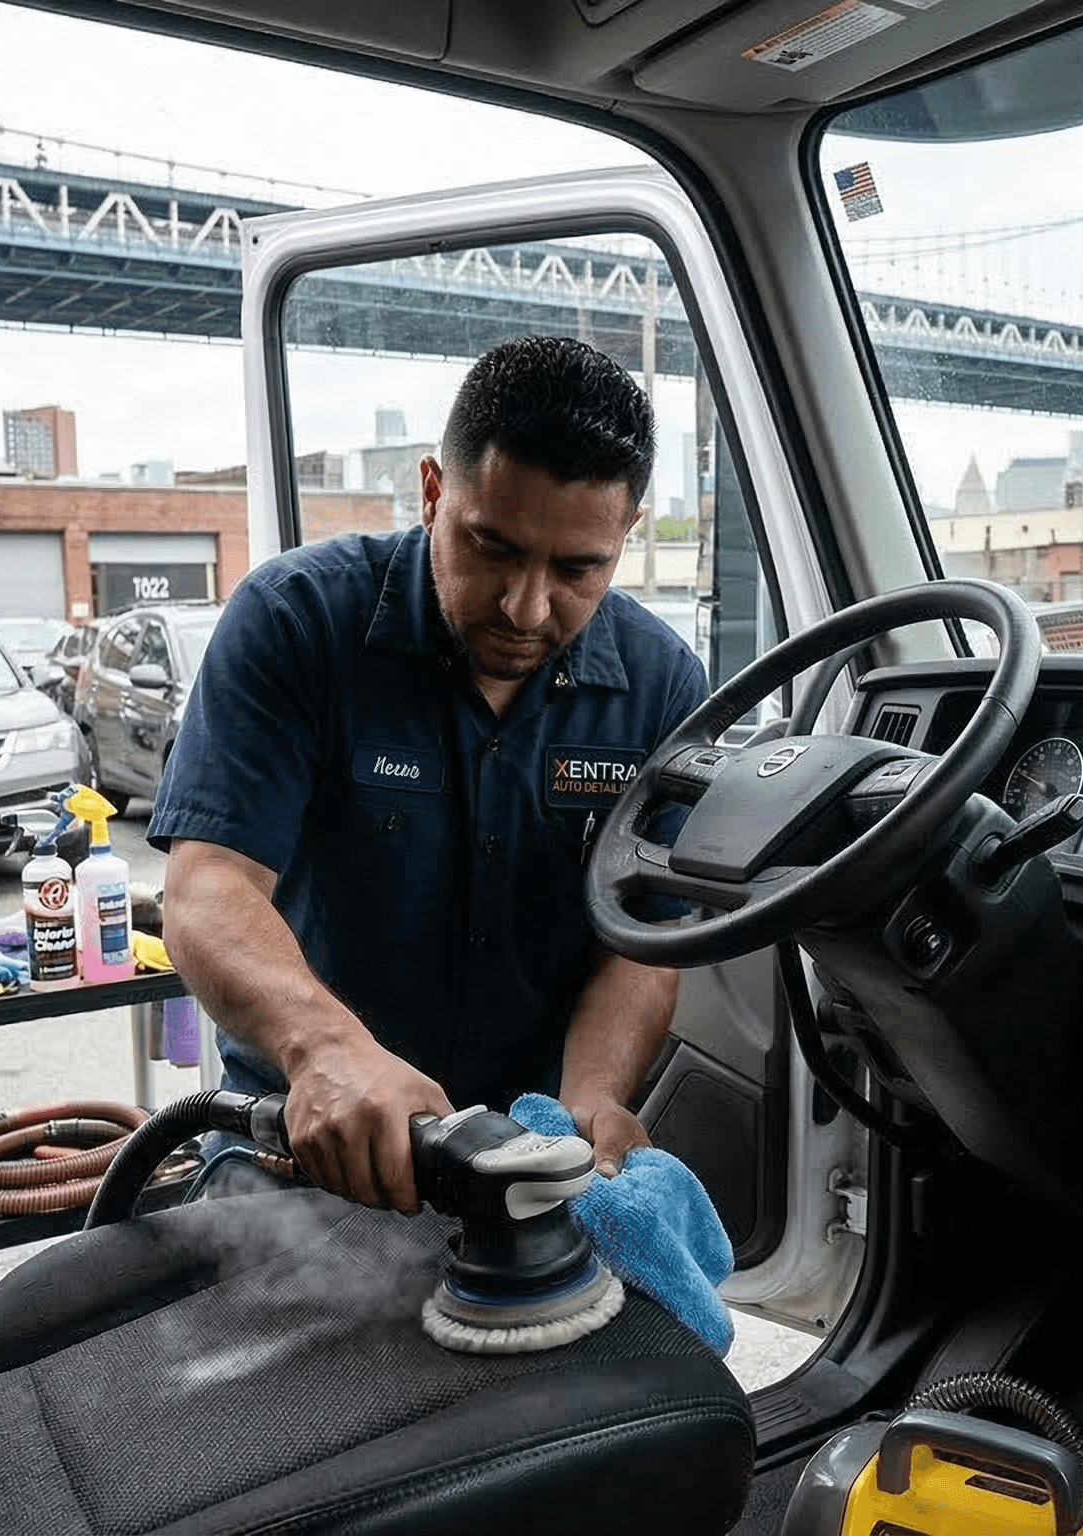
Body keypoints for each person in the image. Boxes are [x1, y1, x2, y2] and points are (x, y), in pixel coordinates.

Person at [150, 335, 708, 1213]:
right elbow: (206, 886)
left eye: (577, 568)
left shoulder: (663, 683)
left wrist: (591, 1101)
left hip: (522, 1154)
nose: (526, 605)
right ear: (433, 491)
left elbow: (636, 945)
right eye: (492, 547)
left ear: (626, 534)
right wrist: (325, 1048)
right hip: (302, 1145)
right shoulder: (295, 622)